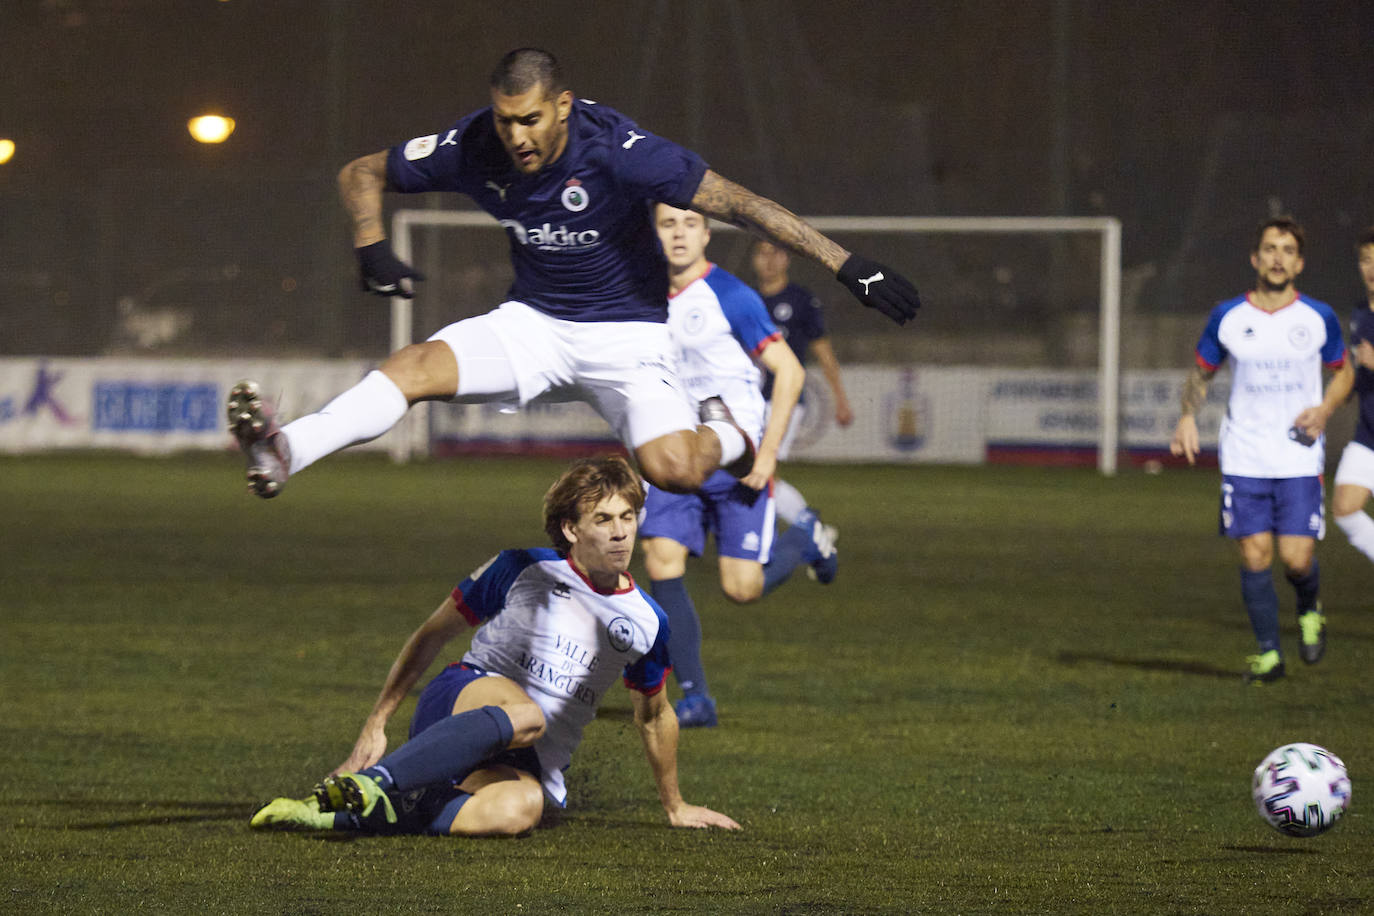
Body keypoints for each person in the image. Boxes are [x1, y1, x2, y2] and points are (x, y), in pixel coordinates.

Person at [228, 47, 919, 499]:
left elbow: (741, 204)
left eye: (529, 120)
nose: (516, 137)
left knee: (674, 471)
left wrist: (847, 264)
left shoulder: (621, 152)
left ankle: (735, 429)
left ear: (562, 105)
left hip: (629, 337)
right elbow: (362, 171)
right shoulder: (475, 144)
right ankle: (286, 451)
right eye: (505, 121)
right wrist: (370, 244)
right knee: (412, 367)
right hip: (533, 324)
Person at [250, 455, 741, 836]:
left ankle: (361, 814)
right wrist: (376, 723)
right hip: (463, 699)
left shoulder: (648, 620)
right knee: (528, 716)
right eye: (604, 519)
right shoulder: (520, 567)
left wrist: (675, 806)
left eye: (628, 517)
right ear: (571, 529)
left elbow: (654, 715)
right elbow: (432, 634)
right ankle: (374, 781)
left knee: (519, 811)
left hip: (523, 759)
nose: (620, 532)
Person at [640, 205, 836, 729]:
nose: (678, 235)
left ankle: (805, 541)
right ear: (654, 233)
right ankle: (696, 697)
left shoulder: (731, 296)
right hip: (677, 453)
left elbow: (790, 372)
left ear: (706, 233)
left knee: (741, 588)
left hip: (737, 456)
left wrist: (767, 453)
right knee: (661, 560)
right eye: (667, 225)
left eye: (688, 225)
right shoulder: (640, 295)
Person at [1169, 217, 1347, 684]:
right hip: (1244, 456)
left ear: (1300, 263)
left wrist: (1326, 409)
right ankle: (1270, 655)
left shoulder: (1317, 317)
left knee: (1296, 559)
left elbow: (1343, 372)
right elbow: (1202, 371)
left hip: (1298, 456)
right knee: (1254, 556)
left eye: (1288, 250)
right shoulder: (1228, 316)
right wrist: (1187, 415)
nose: (1277, 257)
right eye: (1270, 248)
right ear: (1255, 258)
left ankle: (1310, 608)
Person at [750, 239, 854, 538]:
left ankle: (809, 531)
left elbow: (824, 353)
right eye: (762, 253)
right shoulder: (747, 300)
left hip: (784, 401)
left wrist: (841, 399)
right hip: (750, 402)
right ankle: (799, 532)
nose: (769, 260)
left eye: (776, 253)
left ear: (787, 259)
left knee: (763, 471)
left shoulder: (800, 300)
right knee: (755, 472)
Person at [1330, 228, 1374, 566]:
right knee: (1344, 507)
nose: (1371, 268)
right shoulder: (1360, 315)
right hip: (1368, 435)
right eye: (1365, 260)